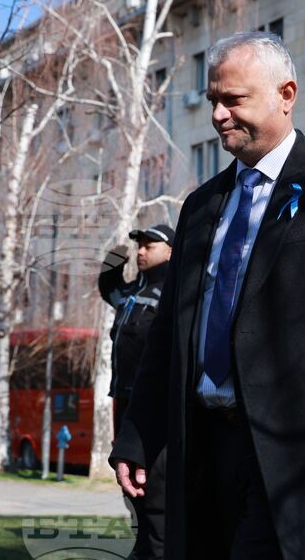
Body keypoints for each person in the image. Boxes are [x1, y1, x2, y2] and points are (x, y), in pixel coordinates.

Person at [109, 31, 305, 559]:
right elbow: (170, 335)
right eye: (213, 101)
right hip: (203, 456)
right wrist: (138, 435)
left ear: (286, 94)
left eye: (234, 100)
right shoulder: (202, 206)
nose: (219, 115)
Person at [99, 223, 173, 560]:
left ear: (171, 250)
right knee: (130, 486)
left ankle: (158, 551)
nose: (141, 252)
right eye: (139, 246)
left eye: (150, 246)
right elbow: (108, 287)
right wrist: (116, 256)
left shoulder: (175, 289)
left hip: (157, 405)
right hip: (124, 401)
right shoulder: (129, 296)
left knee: (155, 488)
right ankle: (141, 549)